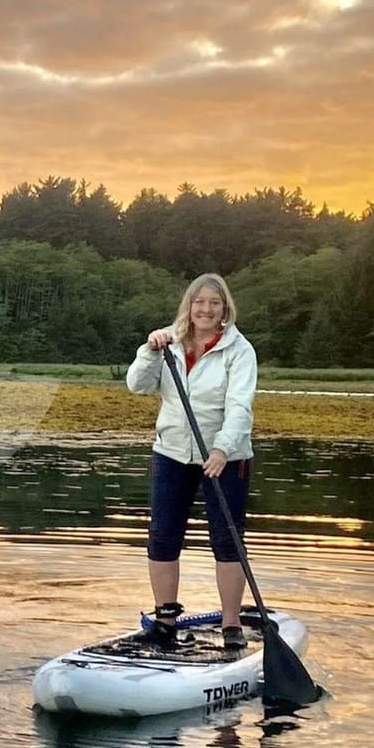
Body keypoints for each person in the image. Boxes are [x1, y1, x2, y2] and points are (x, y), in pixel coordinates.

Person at [124, 273, 257, 650]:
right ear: (189, 305)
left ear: (224, 308)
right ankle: (165, 619)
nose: (206, 309)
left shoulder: (239, 350)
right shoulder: (167, 342)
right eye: (200, 302)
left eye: (214, 303)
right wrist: (148, 351)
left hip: (225, 457)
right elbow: (137, 385)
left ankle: (231, 624)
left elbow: (239, 406)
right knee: (163, 535)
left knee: (227, 539)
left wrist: (222, 449)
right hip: (172, 451)